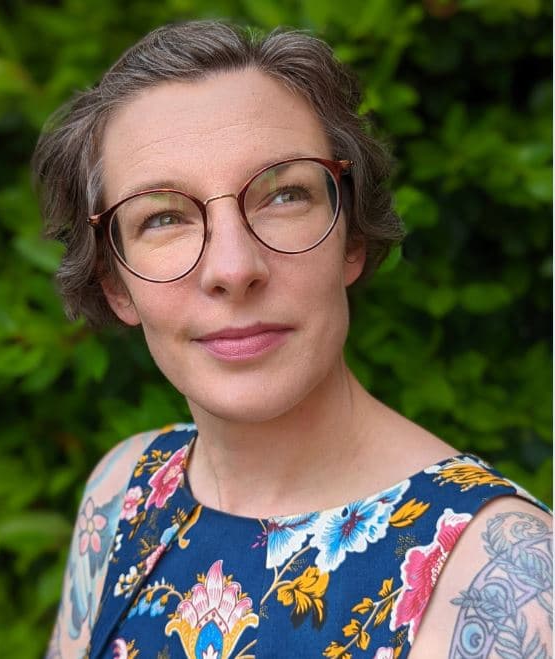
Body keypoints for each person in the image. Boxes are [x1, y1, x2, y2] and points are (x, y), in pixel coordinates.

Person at [33, 20, 552, 659]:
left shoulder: (503, 581)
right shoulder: (124, 494)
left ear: (351, 238)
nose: (232, 268)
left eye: (283, 195)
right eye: (163, 217)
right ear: (116, 284)